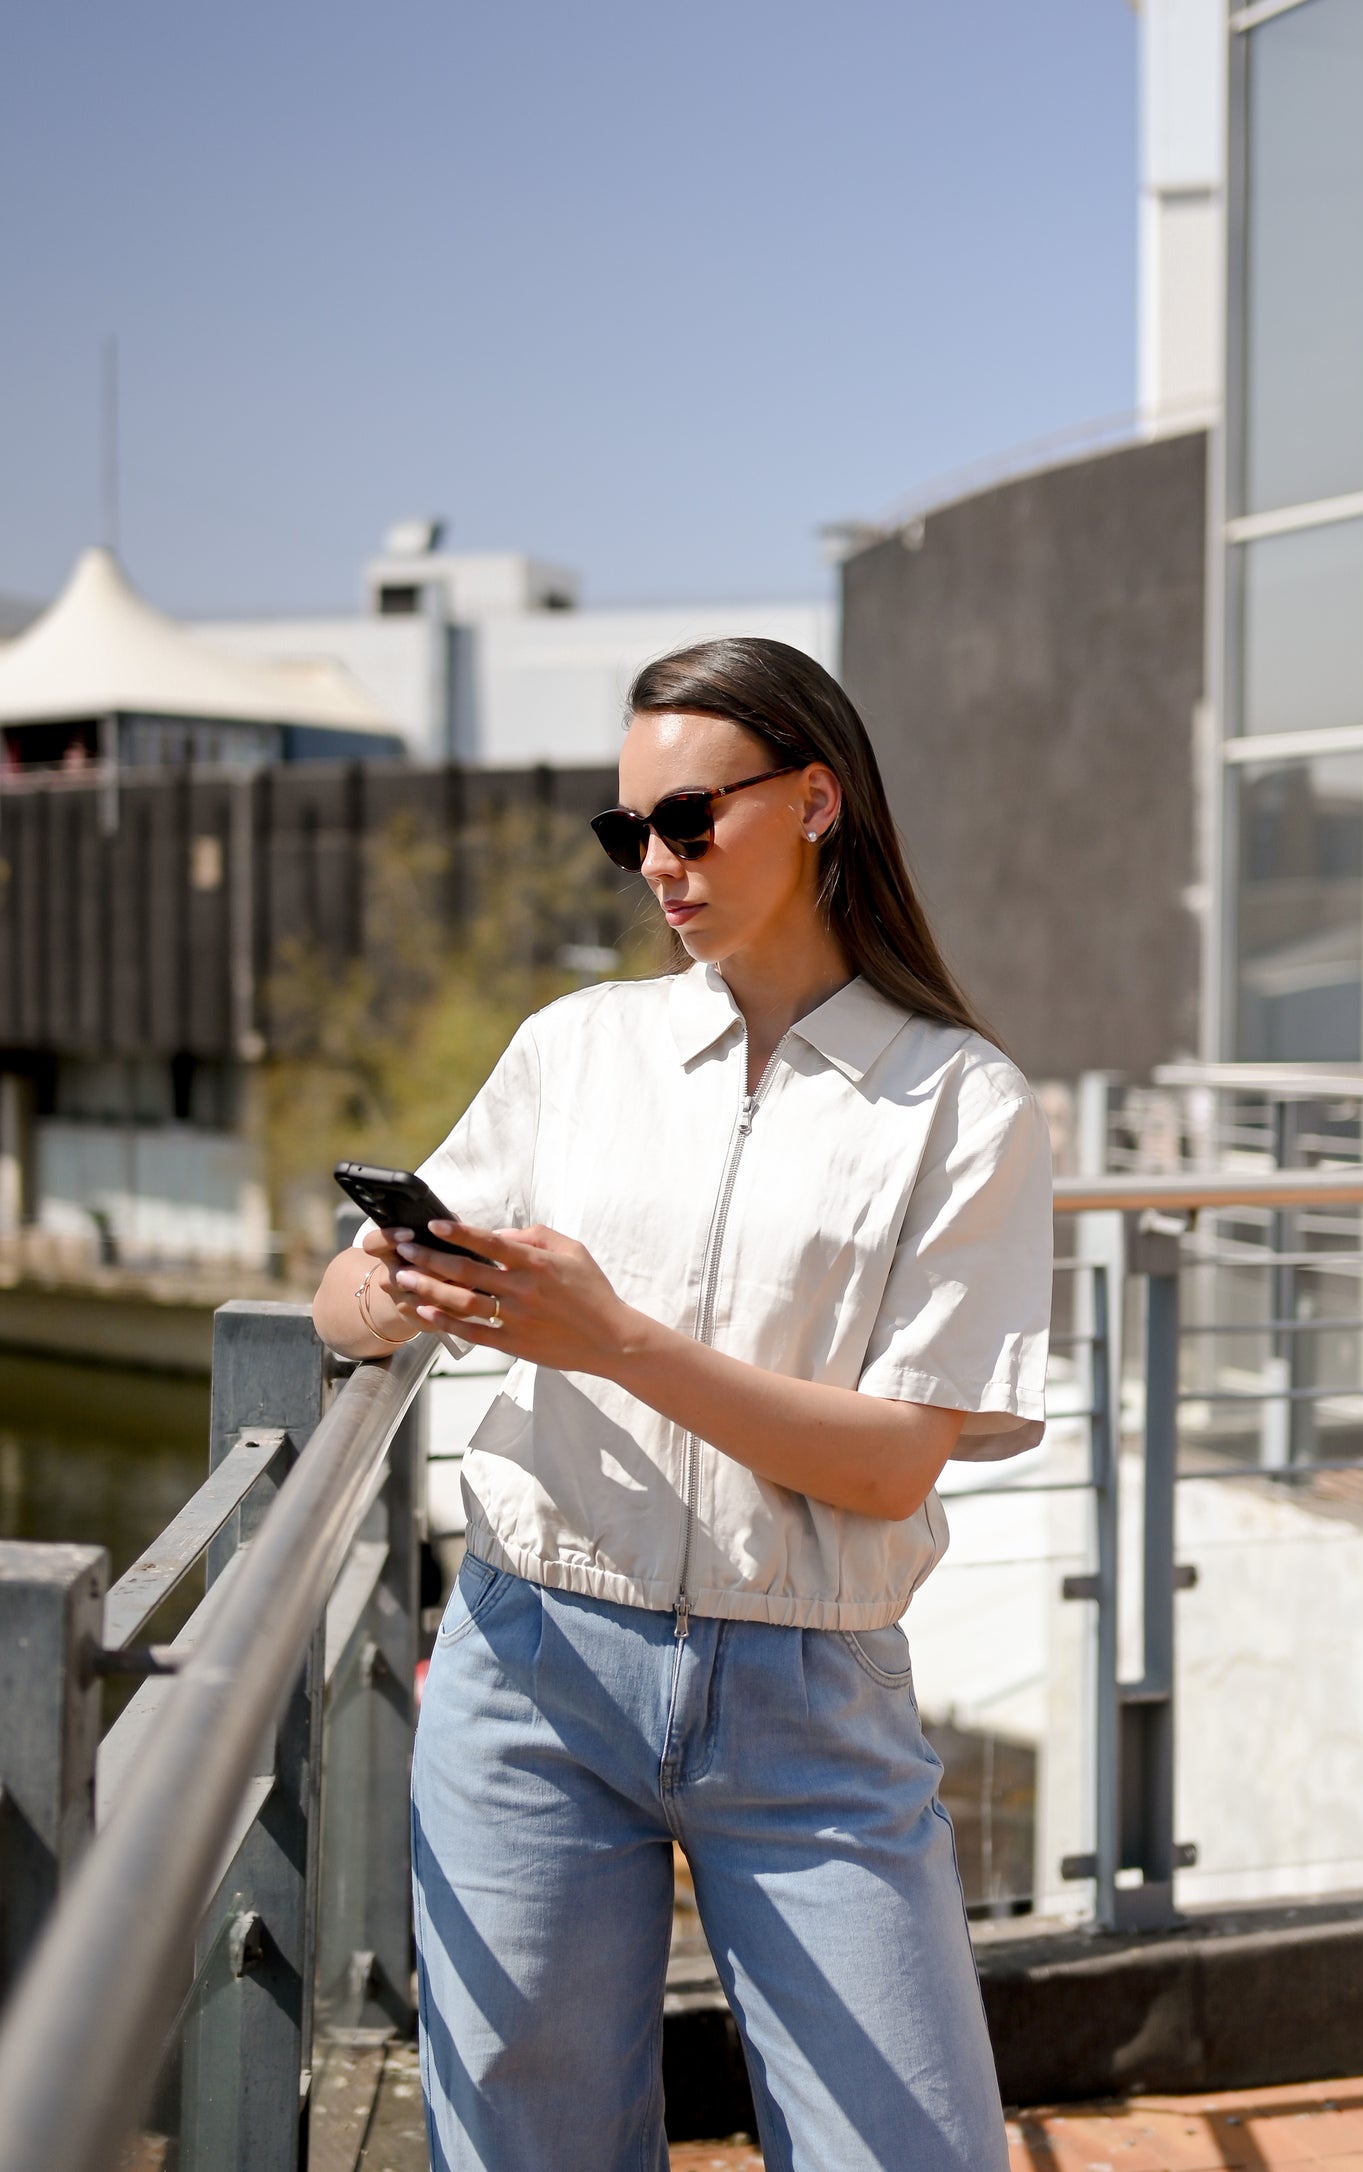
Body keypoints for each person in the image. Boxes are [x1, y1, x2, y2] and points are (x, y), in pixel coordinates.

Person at [312, 636, 1054, 2172]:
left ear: (816, 801)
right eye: (628, 830)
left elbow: (891, 1466)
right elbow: (332, 1304)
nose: (656, 862)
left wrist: (612, 1341)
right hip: (530, 1669)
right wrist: (398, 1285)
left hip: (809, 1700)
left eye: (688, 819)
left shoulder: (958, 1102)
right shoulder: (577, 1049)